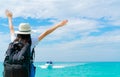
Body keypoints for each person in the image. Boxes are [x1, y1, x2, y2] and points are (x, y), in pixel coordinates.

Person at [4, 10, 68, 77]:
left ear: (19, 33)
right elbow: (46, 32)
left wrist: (9, 17)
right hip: (26, 68)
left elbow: (11, 29)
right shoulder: (32, 42)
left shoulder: (14, 40)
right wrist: (58, 25)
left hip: (10, 69)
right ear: (29, 33)